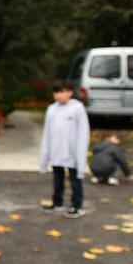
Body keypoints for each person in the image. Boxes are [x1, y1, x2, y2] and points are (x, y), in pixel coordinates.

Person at [38, 80, 90, 218]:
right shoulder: (52, 109)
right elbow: (47, 132)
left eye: (62, 92)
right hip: (56, 151)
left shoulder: (77, 108)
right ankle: (57, 202)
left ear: (70, 92)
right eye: (56, 92)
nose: (59, 95)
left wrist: (80, 152)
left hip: (72, 152)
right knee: (57, 178)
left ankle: (76, 205)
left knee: (75, 179)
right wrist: (46, 153)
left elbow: (83, 131)